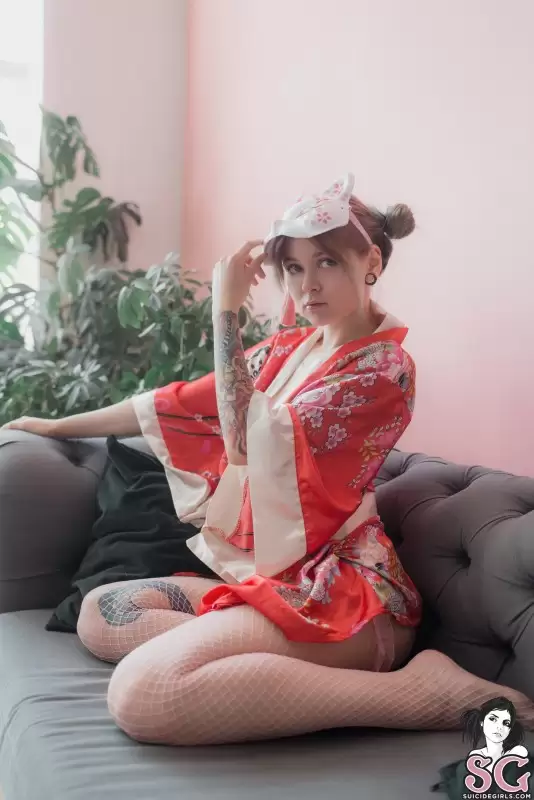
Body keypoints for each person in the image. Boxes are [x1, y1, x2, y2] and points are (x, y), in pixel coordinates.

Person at [3, 174, 534, 747]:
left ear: (371, 262)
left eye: (327, 262)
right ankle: (244, 662)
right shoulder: (294, 349)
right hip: (278, 582)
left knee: (143, 695)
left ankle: (420, 694)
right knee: (105, 611)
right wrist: (54, 425)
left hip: (348, 598)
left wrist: (225, 310)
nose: (308, 285)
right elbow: (181, 400)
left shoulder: (382, 370)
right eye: (294, 268)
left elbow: (241, 441)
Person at [463, 698, 529, 771]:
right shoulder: (476, 755)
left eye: (506, 723)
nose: (499, 727)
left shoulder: (518, 751)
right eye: (492, 719)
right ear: (482, 722)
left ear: (510, 729)